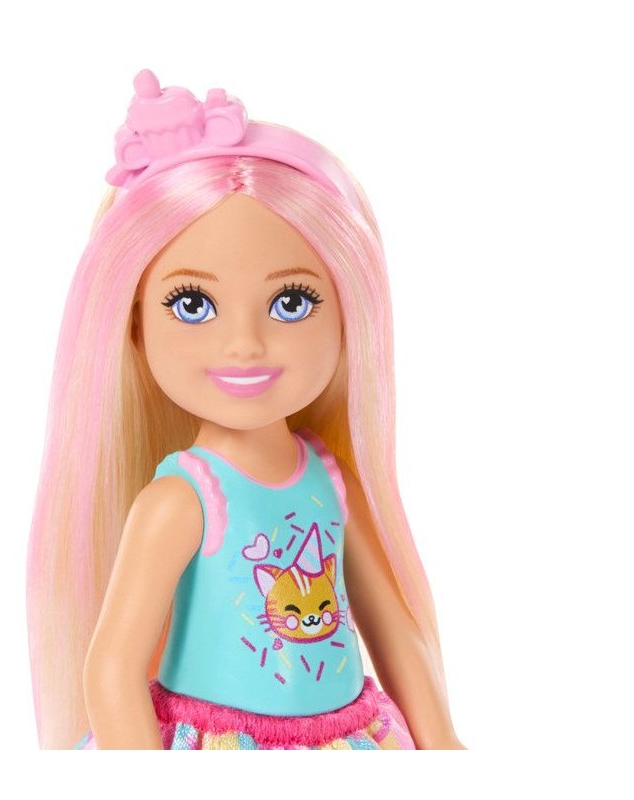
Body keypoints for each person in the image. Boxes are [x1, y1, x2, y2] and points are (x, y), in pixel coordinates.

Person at [27, 70, 463, 750]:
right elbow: (110, 671)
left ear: (348, 312)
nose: (244, 344)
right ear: (136, 326)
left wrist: (444, 746)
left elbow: (392, 629)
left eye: (292, 302)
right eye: (192, 304)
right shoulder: (183, 499)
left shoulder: (329, 478)